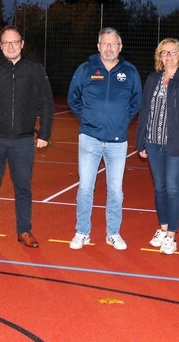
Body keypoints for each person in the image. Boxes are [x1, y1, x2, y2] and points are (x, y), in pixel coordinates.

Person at [0, 25, 54, 249]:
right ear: (0, 46)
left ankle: (24, 230)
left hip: (23, 141)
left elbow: (46, 102)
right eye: (6, 42)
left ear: (22, 44)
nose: (11, 46)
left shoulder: (35, 69)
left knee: (23, 188)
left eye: (15, 42)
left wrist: (44, 133)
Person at [67, 27, 142, 251]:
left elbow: (136, 102)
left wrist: (120, 121)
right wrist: (88, 118)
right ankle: (82, 231)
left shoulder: (129, 71)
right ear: (98, 46)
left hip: (118, 141)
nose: (109, 48)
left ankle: (113, 233)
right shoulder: (85, 69)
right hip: (89, 138)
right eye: (105, 44)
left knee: (116, 190)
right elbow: (73, 98)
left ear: (120, 47)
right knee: (85, 188)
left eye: (113, 44)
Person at [136, 38, 179, 255]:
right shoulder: (153, 79)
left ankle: (172, 236)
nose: (168, 56)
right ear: (159, 56)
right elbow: (145, 110)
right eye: (164, 52)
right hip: (153, 142)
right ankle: (163, 229)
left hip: (177, 144)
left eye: (173, 52)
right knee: (159, 186)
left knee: (173, 186)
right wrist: (141, 141)